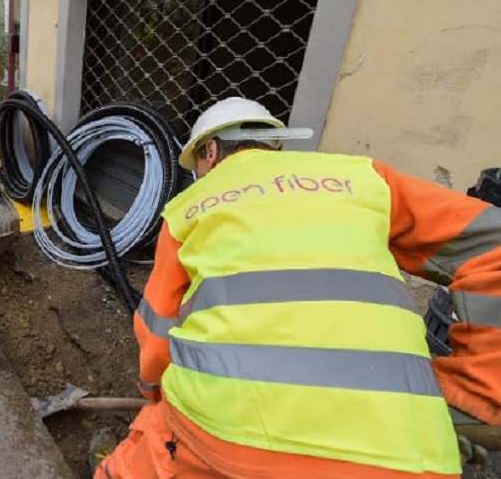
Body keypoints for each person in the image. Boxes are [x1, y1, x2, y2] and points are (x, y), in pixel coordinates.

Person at [95, 97, 501, 478]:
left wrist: (153, 390)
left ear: (211, 152)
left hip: (232, 433)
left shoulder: (191, 205)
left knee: (138, 455)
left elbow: (158, 331)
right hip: (414, 453)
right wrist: (474, 393)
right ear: (273, 144)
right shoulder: (363, 177)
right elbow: (493, 244)